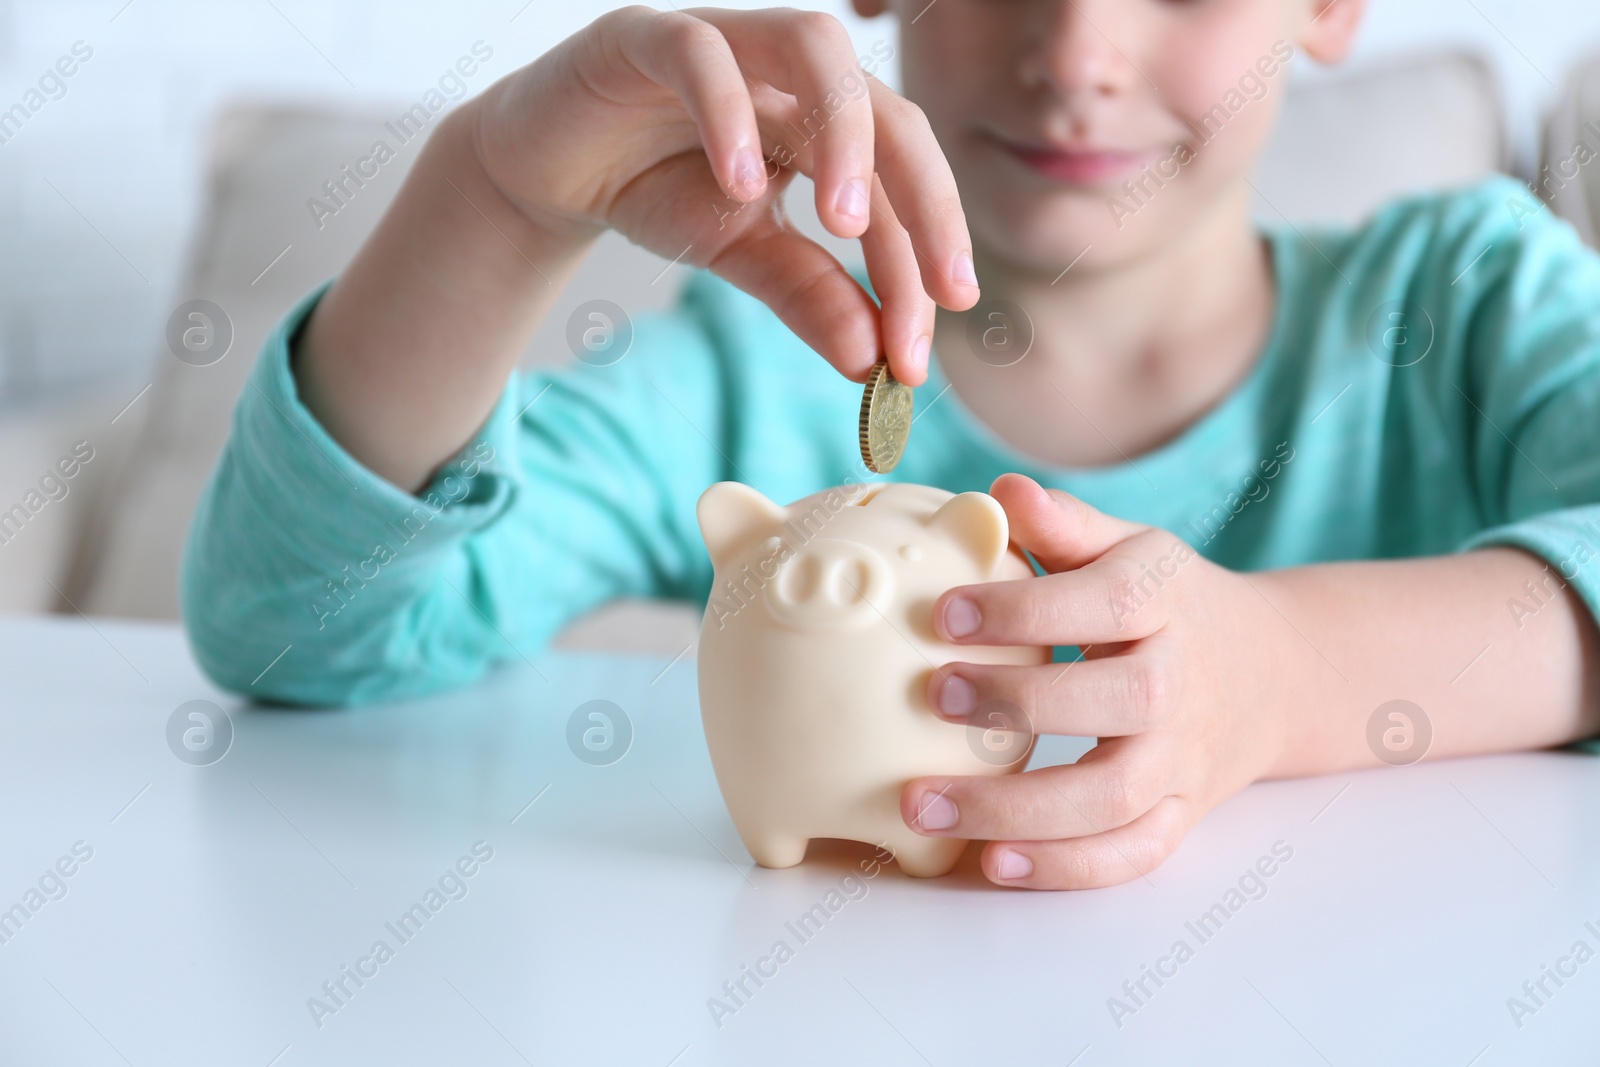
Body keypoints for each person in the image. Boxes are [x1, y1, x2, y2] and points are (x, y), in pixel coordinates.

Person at [182, 0, 1600, 890]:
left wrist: (1278, 682)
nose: (1077, 53)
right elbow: (293, 630)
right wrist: (492, 195)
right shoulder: (747, 386)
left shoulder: (1471, 308)